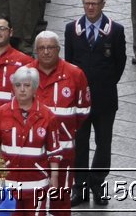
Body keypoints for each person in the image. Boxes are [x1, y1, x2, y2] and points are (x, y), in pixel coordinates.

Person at [62, 0, 126, 208]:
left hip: (105, 98)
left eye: (95, 4)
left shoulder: (115, 31)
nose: (90, 7)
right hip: (79, 100)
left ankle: (97, 183)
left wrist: (104, 84)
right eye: (87, 3)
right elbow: (68, 63)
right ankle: (79, 186)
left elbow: (119, 64)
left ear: (103, 5)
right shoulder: (72, 29)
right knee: (79, 143)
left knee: (104, 143)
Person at [0, 66, 64, 215]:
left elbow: (53, 151)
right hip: (7, 184)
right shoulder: (0, 114)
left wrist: (54, 177)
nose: (22, 89)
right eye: (18, 85)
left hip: (36, 183)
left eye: (27, 85)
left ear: (35, 88)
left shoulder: (48, 116)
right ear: (13, 88)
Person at [31, 31, 91, 216]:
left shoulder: (75, 74)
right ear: (35, 51)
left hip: (64, 152)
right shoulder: (26, 75)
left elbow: (83, 111)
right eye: (42, 48)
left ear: (58, 49)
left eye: (50, 48)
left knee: (61, 199)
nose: (46, 52)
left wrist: (65, 131)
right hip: (33, 152)